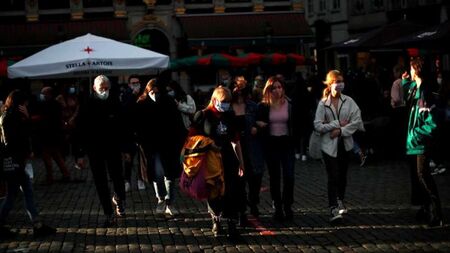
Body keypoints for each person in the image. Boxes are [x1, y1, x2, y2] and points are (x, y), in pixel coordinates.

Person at [190, 85, 245, 239]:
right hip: (209, 160)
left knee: (231, 191)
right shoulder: (202, 115)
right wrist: (206, 144)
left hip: (228, 158)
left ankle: (232, 224)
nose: (226, 105)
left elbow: (236, 140)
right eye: (223, 101)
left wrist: (241, 161)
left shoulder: (230, 115)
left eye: (228, 102)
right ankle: (216, 219)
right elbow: (191, 139)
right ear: (214, 100)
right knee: (214, 193)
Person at [0, 90, 56, 238]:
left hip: (16, 161)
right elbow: (15, 139)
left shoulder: (14, 117)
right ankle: (36, 225)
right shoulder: (10, 118)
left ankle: (37, 224)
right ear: (19, 103)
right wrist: (27, 118)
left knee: (22, 192)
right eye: (25, 103)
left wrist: (26, 118)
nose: (27, 105)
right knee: (14, 194)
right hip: (13, 161)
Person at [75, 75, 128, 227]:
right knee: (100, 182)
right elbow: (80, 131)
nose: (104, 91)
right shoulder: (87, 104)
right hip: (95, 149)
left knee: (118, 177)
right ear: (94, 88)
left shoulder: (115, 101)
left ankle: (119, 198)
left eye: (106, 88)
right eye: (101, 89)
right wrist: (79, 154)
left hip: (113, 147)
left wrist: (126, 148)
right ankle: (108, 213)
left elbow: (123, 127)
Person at [313, 70, 363, 222]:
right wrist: (335, 125)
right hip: (328, 146)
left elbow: (357, 122)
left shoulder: (349, 101)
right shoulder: (323, 104)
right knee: (333, 175)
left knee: (342, 175)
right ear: (330, 84)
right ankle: (333, 207)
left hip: (345, 144)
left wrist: (340, 131)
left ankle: (340, 199)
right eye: (337, 81)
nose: (340, 84)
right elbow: (317, 125)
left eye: (341, 80)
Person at [134, 78, 186, 216]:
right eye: (152, 91)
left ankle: (169, 202)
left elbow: (177, 123)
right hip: (151, 146)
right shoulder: (142, 103)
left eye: (157, 91)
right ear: (148, 91)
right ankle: (161, 198)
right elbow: (137, 126)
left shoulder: (168, 101)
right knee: (157, 173)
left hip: (169, 144)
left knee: (170, 174)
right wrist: (140, 141)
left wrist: (181, 142)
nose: (154, 94)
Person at [401, 57, 443, 227]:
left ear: (416, 70)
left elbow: (432, 122)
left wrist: (416, 134)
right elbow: (408, 92)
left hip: (421, 141)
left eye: (411, 68)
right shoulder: (416, 87)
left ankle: (436, 212)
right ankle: (426, 208)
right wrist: (404, 80)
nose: (410, 71)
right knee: (418, 177)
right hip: (414, 141)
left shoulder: (426, 93)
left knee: (424, 176)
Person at [256, 76, 299, 221]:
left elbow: (296, 123)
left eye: (279, 87)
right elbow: (256, 121)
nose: (277, 90)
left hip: (286, 143)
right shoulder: (263, 106)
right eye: (274, 87)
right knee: (275, 177)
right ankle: (277, 207)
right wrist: (259, 124)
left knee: (289, 176)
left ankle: (288, 205)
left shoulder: (290, 104)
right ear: (268, 90)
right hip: (271, 144)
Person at [230, 76, 265, 224]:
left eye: (242, 88)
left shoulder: (252, 106)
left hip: (252, 147)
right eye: (236, 87)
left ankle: (253, 202)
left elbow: (261, 122)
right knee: (239, 181)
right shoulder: (228, 107)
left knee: (255, 178)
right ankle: (241, 211)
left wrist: (257, 128)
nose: (239, 91)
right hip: (236, 148)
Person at [35, 86, 71, 184]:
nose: (42, 95)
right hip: (55, 134)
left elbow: (44, 118)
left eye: (43, 93)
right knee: (56, 155)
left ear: (49, 94)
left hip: (48, 134)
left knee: (47, 157)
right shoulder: (56, 104)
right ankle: (65, 174)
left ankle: (50, 177)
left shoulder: (47, 105)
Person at [120, 75, 146, 192]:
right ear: (129, 84)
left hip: (141, 131)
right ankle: (127, 181)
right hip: (127, 132)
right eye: (132, 83)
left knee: (141, 158)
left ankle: (140, 180)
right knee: (128, 159)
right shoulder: (126, 94)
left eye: (137, 82)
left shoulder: (144, 94)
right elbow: (124, 110)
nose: (135, 84)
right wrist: (133, 95)